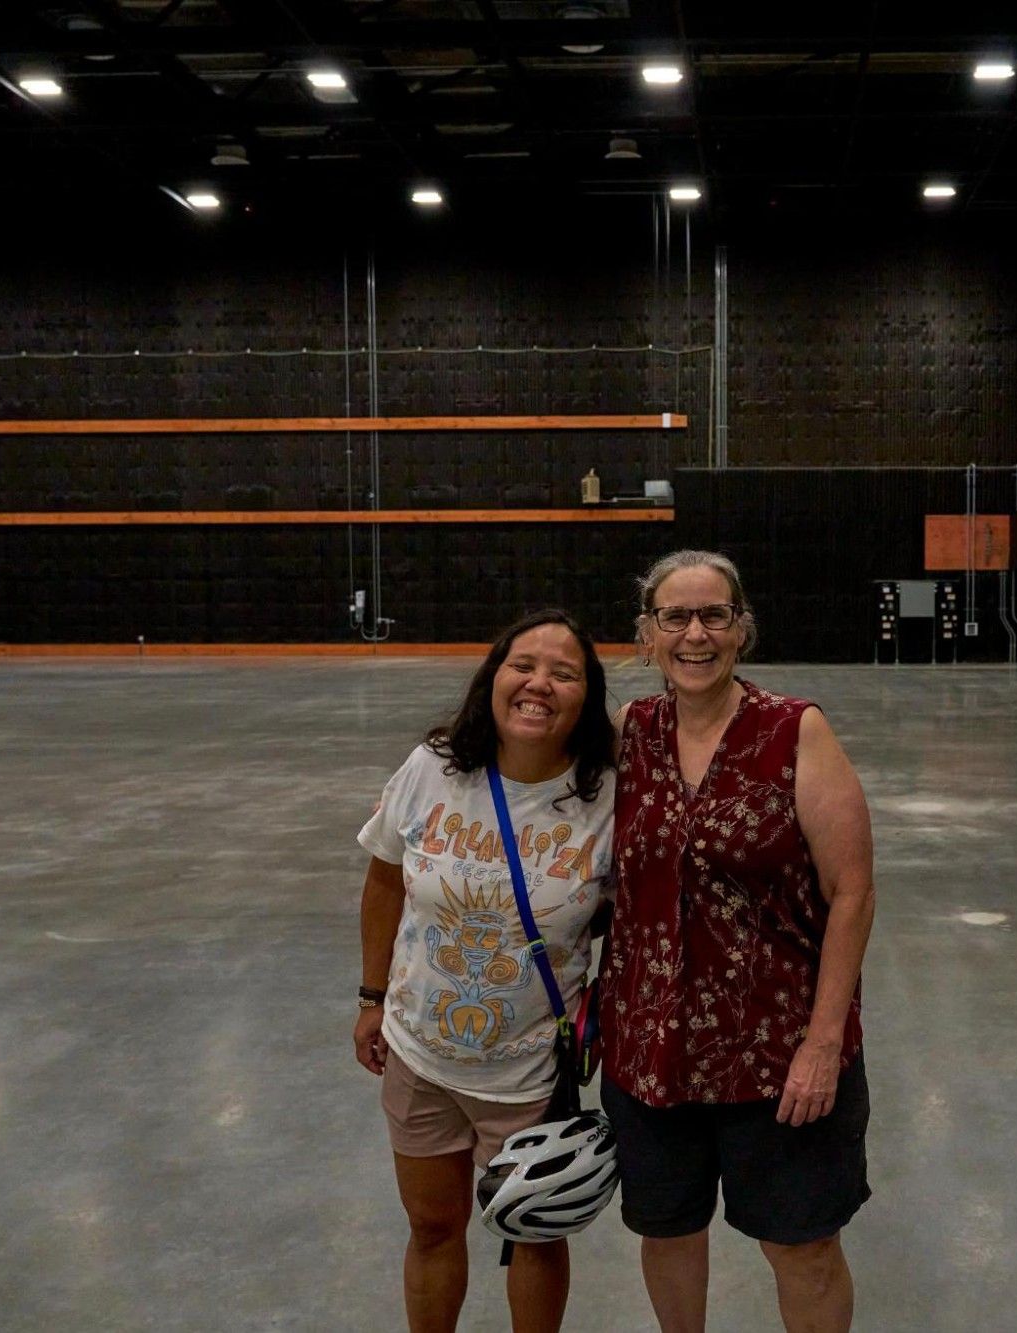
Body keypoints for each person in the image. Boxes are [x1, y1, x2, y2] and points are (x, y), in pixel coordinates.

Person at [600, 550, 878, 1333]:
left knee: (803, 1247)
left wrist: (824, 1041)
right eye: (675, 617)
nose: (696, 633)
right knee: (669, 1231)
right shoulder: (631, 733)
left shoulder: (796, 730)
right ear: (647, 633)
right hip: (650, 1051)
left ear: (740, 629)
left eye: (714, 615)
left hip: (779, 1056)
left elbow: (850, 892)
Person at [353, 609, 616, 1333]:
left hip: (530, 1075)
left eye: (564, 673)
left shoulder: (609, 798)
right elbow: (383, 882)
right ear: (492, 678)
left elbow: (635, 922)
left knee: (532, 1236)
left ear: (586, 697)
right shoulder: (433, 769)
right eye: (522, 664)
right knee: (433, 1229)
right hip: (421, 1056)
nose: (539, 683)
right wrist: (372, 997)